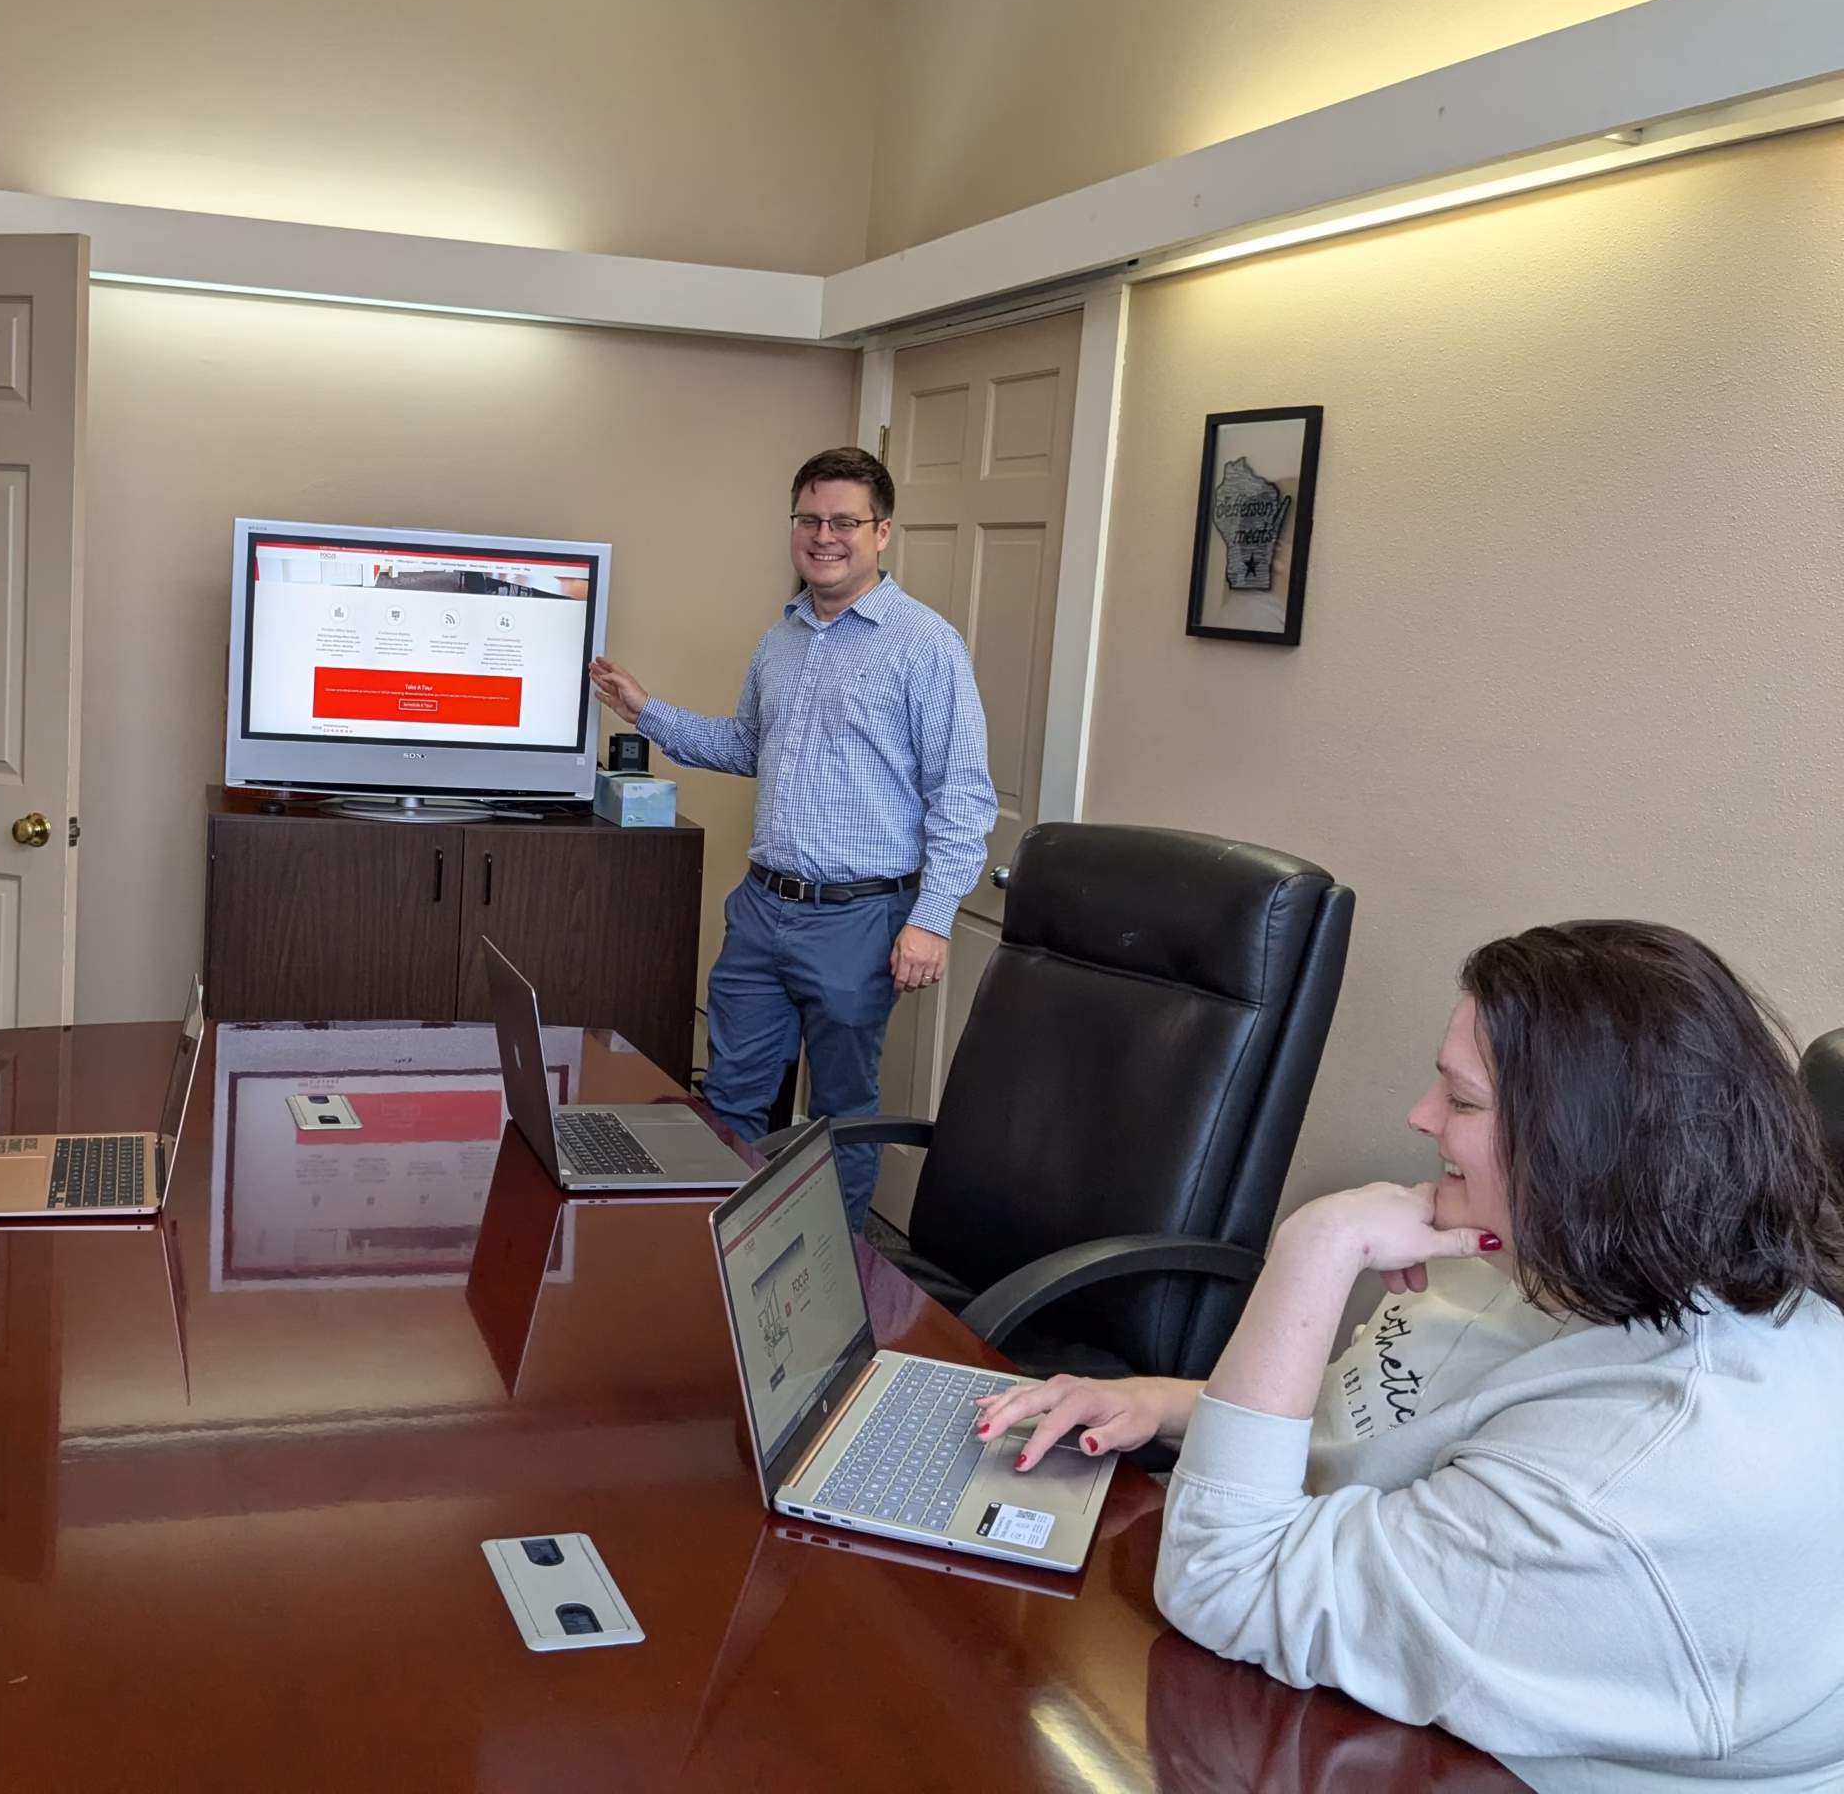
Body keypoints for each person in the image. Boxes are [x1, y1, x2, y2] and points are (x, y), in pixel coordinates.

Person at [973, 921, 1844, 1791]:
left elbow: (1222, 1581)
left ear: (1590, 1146)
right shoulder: (1576, 1259)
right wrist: (1163, 1402)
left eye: (1462, 1102)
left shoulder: (1621, 1484)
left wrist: (1312, 1249)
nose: (1422, 1119)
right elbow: (1388, 1416)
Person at [588, 446, 995, 1229]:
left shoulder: (924, 644)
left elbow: (964, 794)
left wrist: (932, 917)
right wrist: (647, 711)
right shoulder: (783, 637)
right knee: (732, 1099)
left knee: (841, 1114)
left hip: (860, 919)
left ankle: (838, 1277)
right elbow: (749, 746)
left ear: (883, 533)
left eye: (845, 520)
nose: (824, 535)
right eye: (809, 518)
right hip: (762, 912)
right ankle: (720, 1257)